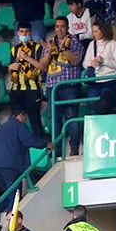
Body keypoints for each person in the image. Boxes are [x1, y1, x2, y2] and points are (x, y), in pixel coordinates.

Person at [44, 16, 85, 153]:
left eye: (62, 26)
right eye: (57, 26)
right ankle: (58, 153)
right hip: (52, 87)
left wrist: (63, 50)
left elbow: (76, 60)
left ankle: (74, 150)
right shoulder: (51, 43)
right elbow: (44, 66)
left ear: (67, 28)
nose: (59, 29)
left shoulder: (74, 42)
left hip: (70, 86)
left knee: (72, 119)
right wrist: (49, 52)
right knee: (55, 121)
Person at [0, 108, 49, 194]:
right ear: (21, 115)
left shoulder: (0, 128)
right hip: (11, 166)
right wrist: (46, 144)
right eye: (25, 118)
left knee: (8, 195)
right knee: (14, 196)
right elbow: (30, 140)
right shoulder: (19, 125)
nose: (25, 121)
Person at [8, 21, 49, 136]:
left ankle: (40, 147)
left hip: (33, 87)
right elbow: (11, 68)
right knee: (17, 119)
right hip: (17, 88)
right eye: (21, 31)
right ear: (17, 33)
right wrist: (10, 67)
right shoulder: (13, 49)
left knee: (34, 119)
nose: (24, 34)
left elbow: (42, 67)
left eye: (26, 31)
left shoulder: (37, 48)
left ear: (30, 32)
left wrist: (27, 58)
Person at [82, 21, 116, 114]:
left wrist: (104, 61)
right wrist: (92, 63)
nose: (94, 34)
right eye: (93, 31)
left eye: (96, 31)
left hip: (110, 81)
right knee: (93, 109)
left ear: (103, 31)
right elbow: (84, 63)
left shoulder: (113, 44)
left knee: (106, 105)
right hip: (95, 82)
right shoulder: (92, 44)